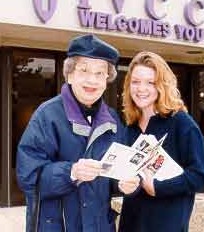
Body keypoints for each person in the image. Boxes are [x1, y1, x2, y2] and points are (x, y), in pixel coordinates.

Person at [16, 34, 139, 232]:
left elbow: (117, 174)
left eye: (100, 73)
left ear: (107, 79)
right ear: (70, 74)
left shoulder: (113, 120)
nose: (92, 80)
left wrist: (125, 186)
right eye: (84, 70)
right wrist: (71, 172)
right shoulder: (46, 115)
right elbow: (28, 177)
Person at [118, 51, 204, 232]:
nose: (141, 89)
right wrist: (123, 184)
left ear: (162, 85)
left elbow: (200, 175)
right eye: (135, 82)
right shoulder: (129, 128)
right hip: (131, 224)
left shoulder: (181, 123)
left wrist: (159, 188)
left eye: (150, 82)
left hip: (167, 225)